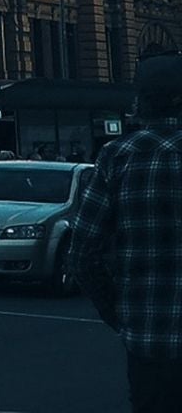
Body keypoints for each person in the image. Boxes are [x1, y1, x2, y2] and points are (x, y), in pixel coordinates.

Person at [67, 54, 182, 413]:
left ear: (142, 102)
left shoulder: (117, 157)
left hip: (149, 339)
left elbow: (83, 254)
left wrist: (119, 313)